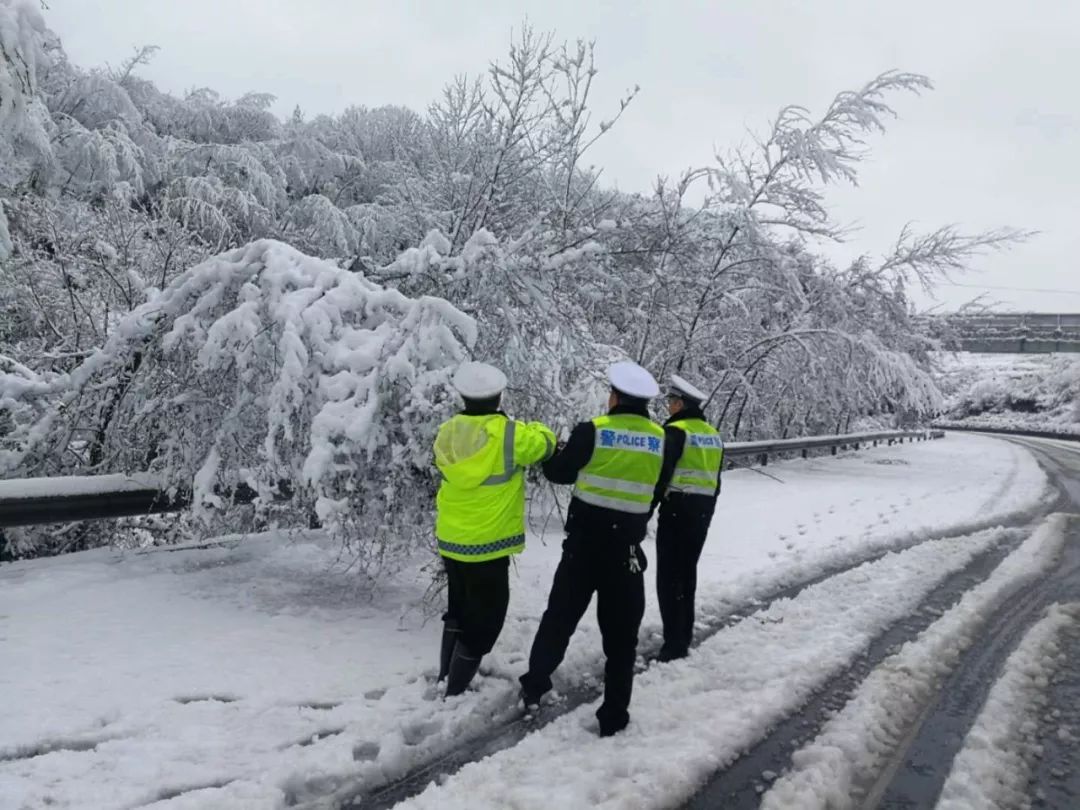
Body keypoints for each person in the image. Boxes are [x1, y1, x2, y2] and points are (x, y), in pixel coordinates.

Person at [519, 360, 668, 737]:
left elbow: (559, 473)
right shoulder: (661, 439)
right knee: (621, 637)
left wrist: (556, 452)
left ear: (615, 397)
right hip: (626, 553)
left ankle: (535, 683)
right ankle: (614, 714)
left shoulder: (594, 431)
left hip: (583, 548)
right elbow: (658, 489)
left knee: (559, 618)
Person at [434, 361, 557, 697]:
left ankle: (446, 674)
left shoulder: (447, 431)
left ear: (463, 397)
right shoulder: (511, 434)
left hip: (452, 538)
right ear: (499, 396)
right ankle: (455, 690)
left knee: (459, 607)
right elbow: (545, 443)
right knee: (487, 619)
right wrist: (531, 425)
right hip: (488, 544)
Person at [652, 374, 724, 661]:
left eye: (671, 401)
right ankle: (684, 635)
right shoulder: (712, 434)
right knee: (687, 574)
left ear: (680, 404)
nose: (668, 406)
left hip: (676, 510)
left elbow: (661, 475)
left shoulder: (675, 432)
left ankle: (674, 645)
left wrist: (648, 509)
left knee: (669, 578)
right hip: (701, 512)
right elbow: (716, 481)